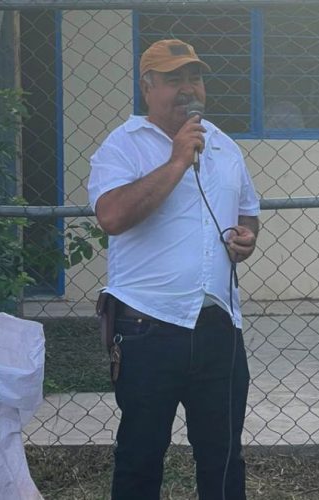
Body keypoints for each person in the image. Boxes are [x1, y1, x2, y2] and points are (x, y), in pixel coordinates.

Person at [88, 39, 260, 499]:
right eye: (173, 79)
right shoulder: (122, 145)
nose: (188, 88)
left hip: (218, 326)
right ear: (147, 87)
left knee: (223, 457)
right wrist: (178, 159)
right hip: (146, 327)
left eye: (194, 77)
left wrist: (246, 237)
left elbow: (248, 212)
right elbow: (112, 216)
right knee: (140, 456)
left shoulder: (224, 145)